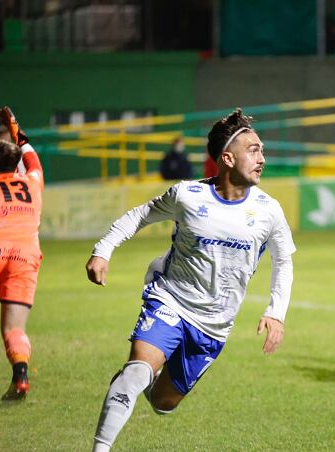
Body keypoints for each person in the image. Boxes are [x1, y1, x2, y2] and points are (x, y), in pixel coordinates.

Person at [86, 108, 296, 452]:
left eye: (262, 150)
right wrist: (103, 249)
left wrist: (277, 311)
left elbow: (283, 260)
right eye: (253, 150)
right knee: (137, 372)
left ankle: (139, 384)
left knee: (163, 402)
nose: (262, 158)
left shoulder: (268, 210)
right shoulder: (187, 195)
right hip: (170, 301)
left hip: (214, 325)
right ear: (227, 158)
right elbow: (140, 215)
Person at [0, 107, 44, 400]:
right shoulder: (34, 180)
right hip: (26, 254)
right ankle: (21, 376)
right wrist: (15, 127)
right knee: (14, 328)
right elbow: (31, 155)